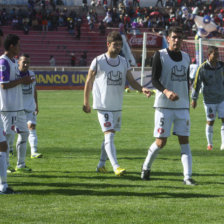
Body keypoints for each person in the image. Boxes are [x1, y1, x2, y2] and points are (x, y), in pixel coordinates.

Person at [83, 31, 151, 176]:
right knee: (109, 136)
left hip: (117, 106)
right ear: (108, 44)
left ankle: (101, 165)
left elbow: (131, 81)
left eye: (120, 45)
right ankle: (116, 167)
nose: (118, 47)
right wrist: (86, 102)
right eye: (115, 44)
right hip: (102, 105)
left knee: (109, 136)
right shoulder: (98, 61)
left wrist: (142, 89)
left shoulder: (124, 61)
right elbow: (89, 81)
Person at [141, 27, 196, 185]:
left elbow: (186, 81)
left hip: (182, 107)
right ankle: (146, 167)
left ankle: (187, 177)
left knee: (185, 141)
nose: (177, 40)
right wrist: (166, 92)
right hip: (164, 106)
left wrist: (187, 102)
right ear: (168, 38)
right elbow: (155, 80)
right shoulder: (160, 55)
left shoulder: (186, 57)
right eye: (174, 37)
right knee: (160, 143)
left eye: (179, 37)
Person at [0, 34, 34, 174]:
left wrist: (24, 79)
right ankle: (6, 164)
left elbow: (17, 79)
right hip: (8, 107)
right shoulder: (3, 62)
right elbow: (4, 85)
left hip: (18, 106)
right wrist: (22, 81)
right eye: (18, 45)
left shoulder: (13, 61)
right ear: (12, 46)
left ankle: (20, 164)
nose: (20, 48)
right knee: (7, 136)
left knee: (25, 132)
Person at [191, 46, 224, 151]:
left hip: (222, 98)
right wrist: (194, 99)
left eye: (218, 53)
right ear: (209, 55)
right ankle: (210, 144)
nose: (217, 56)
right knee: (211, 121)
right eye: (215, 54)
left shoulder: (222, 66)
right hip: (209, 100)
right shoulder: (202, 68)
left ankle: (223, 144)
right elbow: (197, 84)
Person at [0, 29, 15, 194]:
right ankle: (2, 186)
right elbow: (3, 85)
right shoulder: (3, 61)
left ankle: (3, 185)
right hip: (4, 108)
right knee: (3, 144)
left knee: (3, 144)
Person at [19, 54, 42, 158]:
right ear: (18, 62)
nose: (26, 64)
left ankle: (34, 152)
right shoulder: (15, 75)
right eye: (24, 62)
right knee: (14, 132)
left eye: (28, 62)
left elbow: (34, 90)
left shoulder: (32, 74)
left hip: (30, 107)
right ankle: (9, 150)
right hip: (17, 108)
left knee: (32, 127)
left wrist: (36, 105)